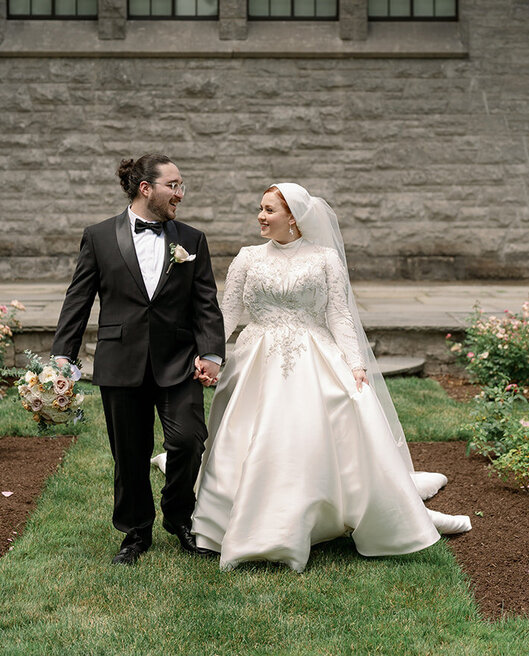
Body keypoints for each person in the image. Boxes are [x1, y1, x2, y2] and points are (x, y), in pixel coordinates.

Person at [189, 182, 470, 572]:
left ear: (294, 218)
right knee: (249, 433)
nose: (261, 216)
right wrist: (211, 355)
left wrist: (356, 365)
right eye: (261, 208)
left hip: (313, 356)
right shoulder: (248, 258)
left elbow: (339, 316)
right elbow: (228, 313)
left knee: (322, 424)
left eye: (269, 210)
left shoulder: (324, 259)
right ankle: (231, 518)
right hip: (256, 358)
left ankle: (323, 510)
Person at [51, 154, 225, 566]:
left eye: (182, 186)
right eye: (174, 185)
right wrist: (62, 356)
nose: (180, 194)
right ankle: (135, 531)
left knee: (188, 440)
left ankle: (179, 516)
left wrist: (212, 352)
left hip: (178, 359)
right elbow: (78, 299)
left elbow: (206, 302)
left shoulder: (192, 239)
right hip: (120, 359)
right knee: (128, 452)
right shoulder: (98, 237)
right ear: (146, 188)